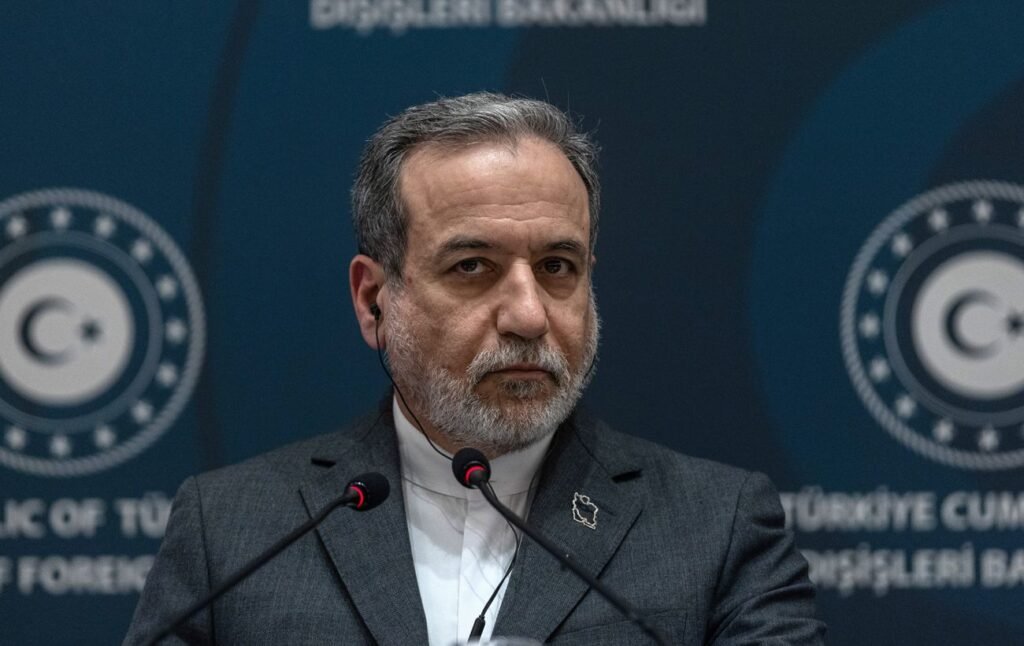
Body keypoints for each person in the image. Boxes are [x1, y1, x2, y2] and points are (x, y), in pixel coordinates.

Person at [124, 92, 825, 645]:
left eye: (557, 266)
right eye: (472, 267)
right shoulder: (234, 530)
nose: (528, 315)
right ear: (373, 300)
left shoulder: (717, 526)